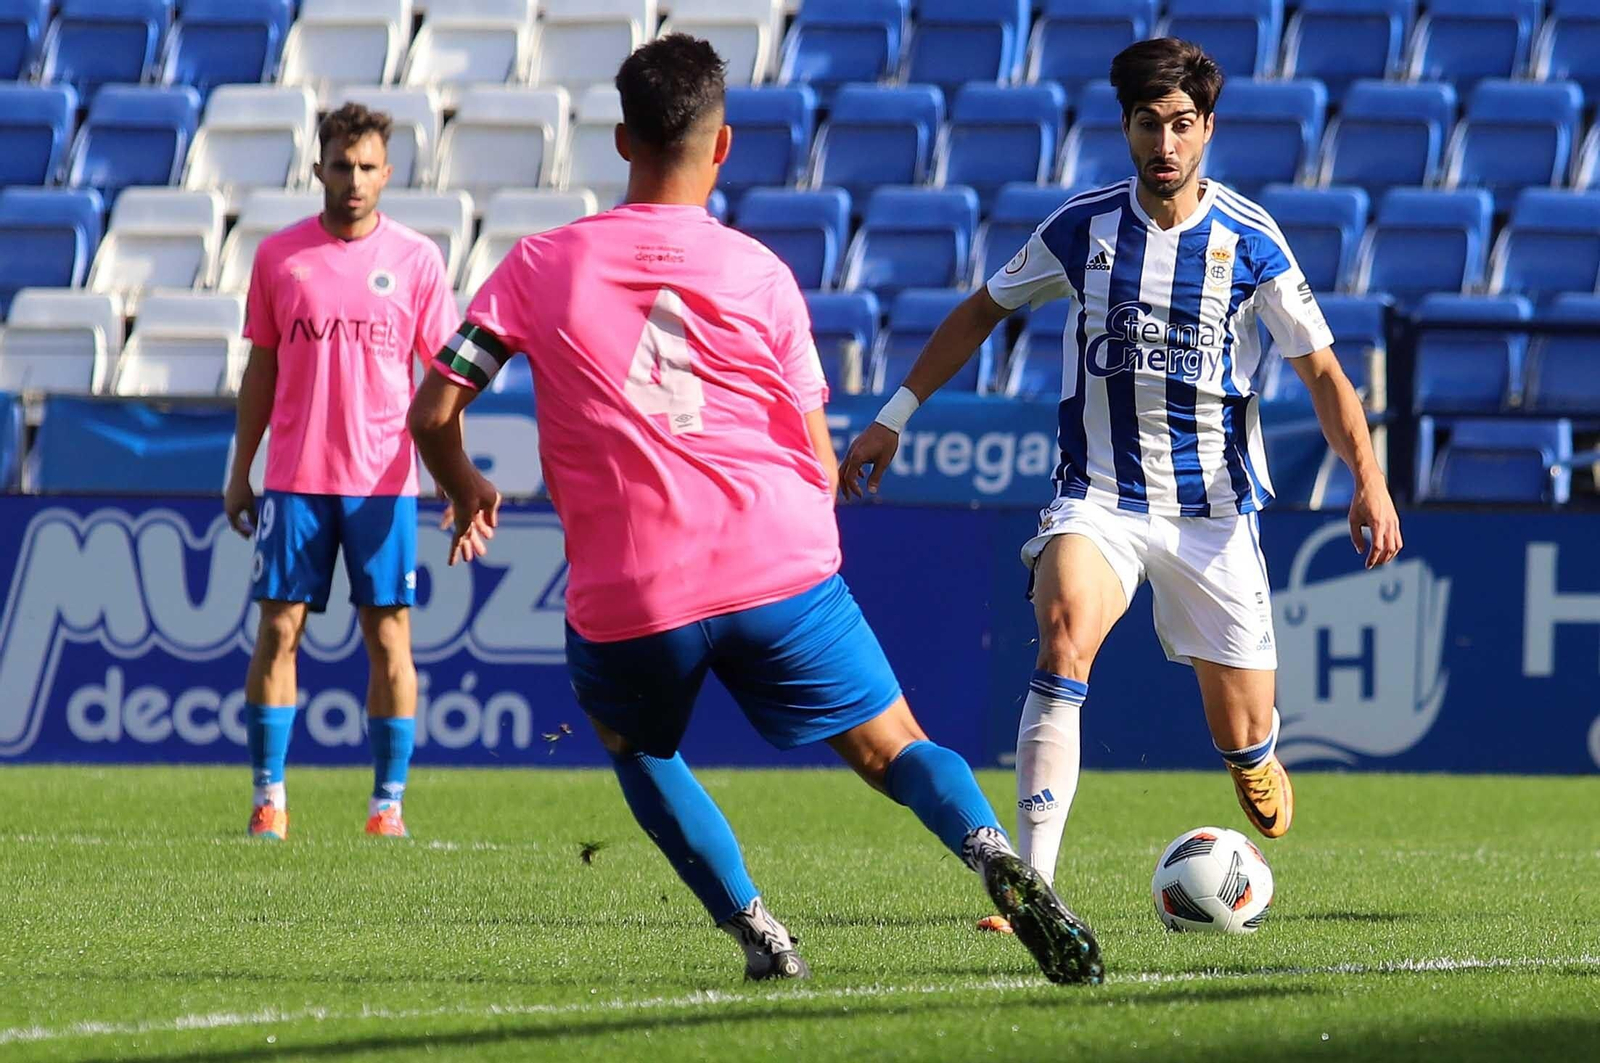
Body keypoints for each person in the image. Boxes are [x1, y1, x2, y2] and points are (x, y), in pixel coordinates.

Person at [407, 35, 1103, 985]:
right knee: (893, 744)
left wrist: (466, 486)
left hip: (635, 588)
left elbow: (434, 409)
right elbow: (817, 458)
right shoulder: (762, 274)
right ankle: (989, 852)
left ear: (621, 141)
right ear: (722, 144)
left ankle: (760, 932)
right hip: (778, 562)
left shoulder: (538, 265)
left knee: (634, 743)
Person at [840, 38, 1403, 932]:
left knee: (1244, 737)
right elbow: (982, 309)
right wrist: (894, 413)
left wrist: (1367, 482)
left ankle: (1251, 752)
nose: (1165, 144)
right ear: (1126, 130)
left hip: (1214, 519)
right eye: (1149, 125)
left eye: (1182, 125)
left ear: (1208, 131)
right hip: (1097, 498)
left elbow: (1327, 376)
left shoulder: (1252, 240)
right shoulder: (1081, 227)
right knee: (1061, 634)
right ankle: (1034, 888)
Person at [225, 102, 459, 841]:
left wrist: (455, 476)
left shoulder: (418, 260)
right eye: (340, 164)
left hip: (383, 484)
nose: (353, 179)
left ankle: (387, 804)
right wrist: (241, 469)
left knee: (390, 639)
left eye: (366, 167)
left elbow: (446, 378)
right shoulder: (279, 258)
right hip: (295, 477)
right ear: (318, 167)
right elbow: (261, 368)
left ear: (387, 173)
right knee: (279, 630)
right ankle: (271, 798)